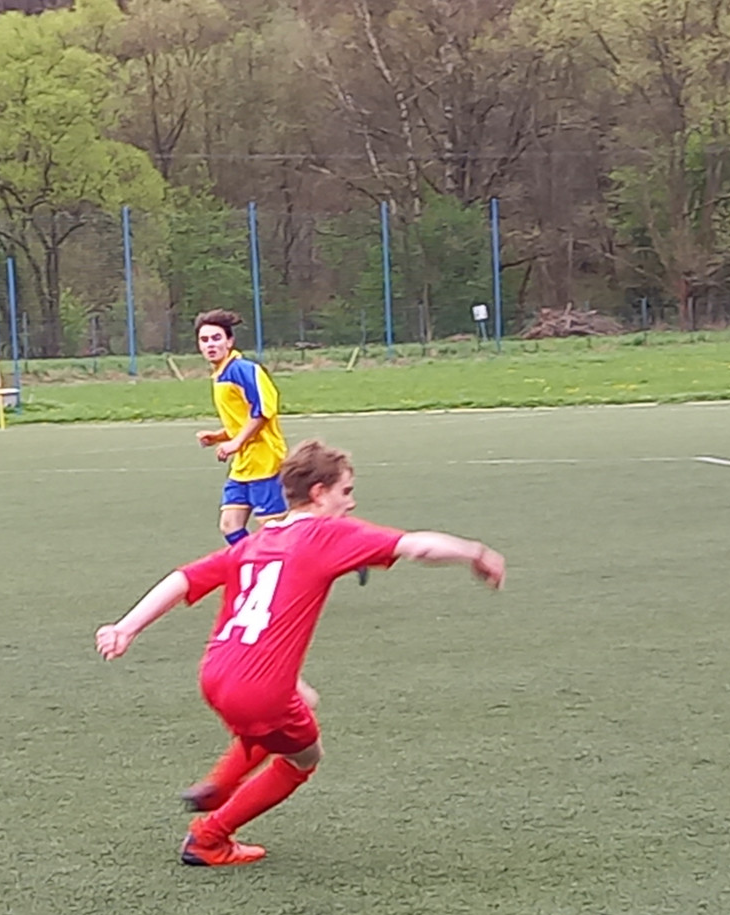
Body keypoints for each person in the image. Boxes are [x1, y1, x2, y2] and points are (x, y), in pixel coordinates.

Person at [96, 439, 506, 866]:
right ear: (319, 493)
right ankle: (208, 837)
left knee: (296, 705)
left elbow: (182, 578)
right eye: (345, 491)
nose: (351, 503)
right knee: (304, 757)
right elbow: (417, 546)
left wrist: (126, 627)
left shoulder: (256, 542)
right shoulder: (326, 535)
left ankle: (220, 785)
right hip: (259, 688)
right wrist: (475, 552)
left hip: (216, 673)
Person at [193, 309, 287, 543]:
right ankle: (253, 563)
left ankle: (322, 554)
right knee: (230, 526)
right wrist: (219, 436)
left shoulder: (243, 369)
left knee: (274, 532)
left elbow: (262, 411)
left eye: (216, 338)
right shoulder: (220, 375)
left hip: (265, 461)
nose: (210, 344)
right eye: (204, 340)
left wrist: (236, 442)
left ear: (229, 341)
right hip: (244, 464)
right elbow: (242, 422)